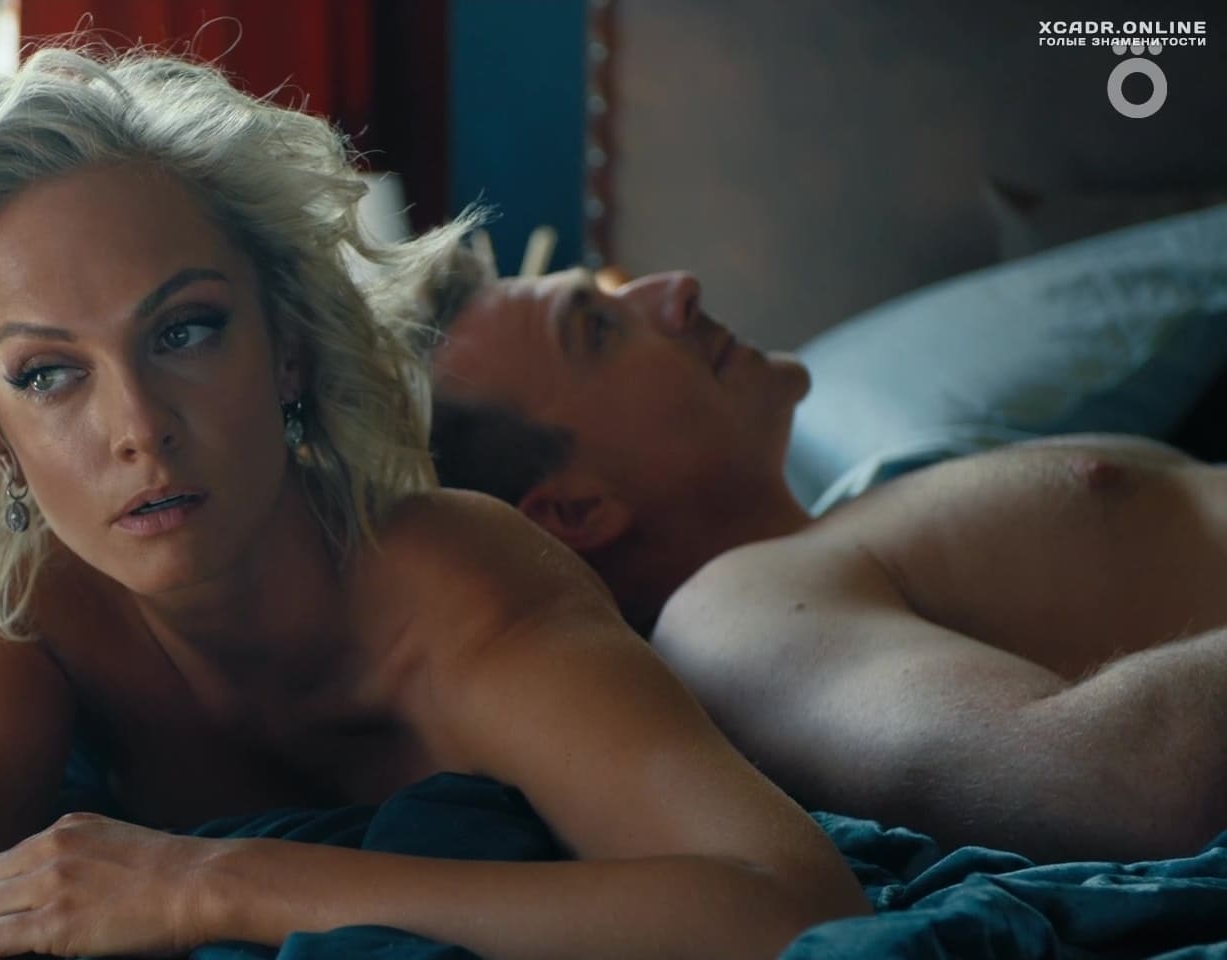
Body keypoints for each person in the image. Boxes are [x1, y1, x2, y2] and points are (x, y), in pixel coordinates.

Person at [0, 45, 867, 960]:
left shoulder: (458, 585)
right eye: (47, 374)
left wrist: (213, 883)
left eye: (185, 330)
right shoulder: (38, 615)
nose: (138, 426)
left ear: (286, 350)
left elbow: (794, 908)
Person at [425, 244, 1227, 865]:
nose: (677, 288)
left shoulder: (859, 508)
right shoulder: (733, 616)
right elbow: (1120, 782)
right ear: (577, 509)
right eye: (599, 328)